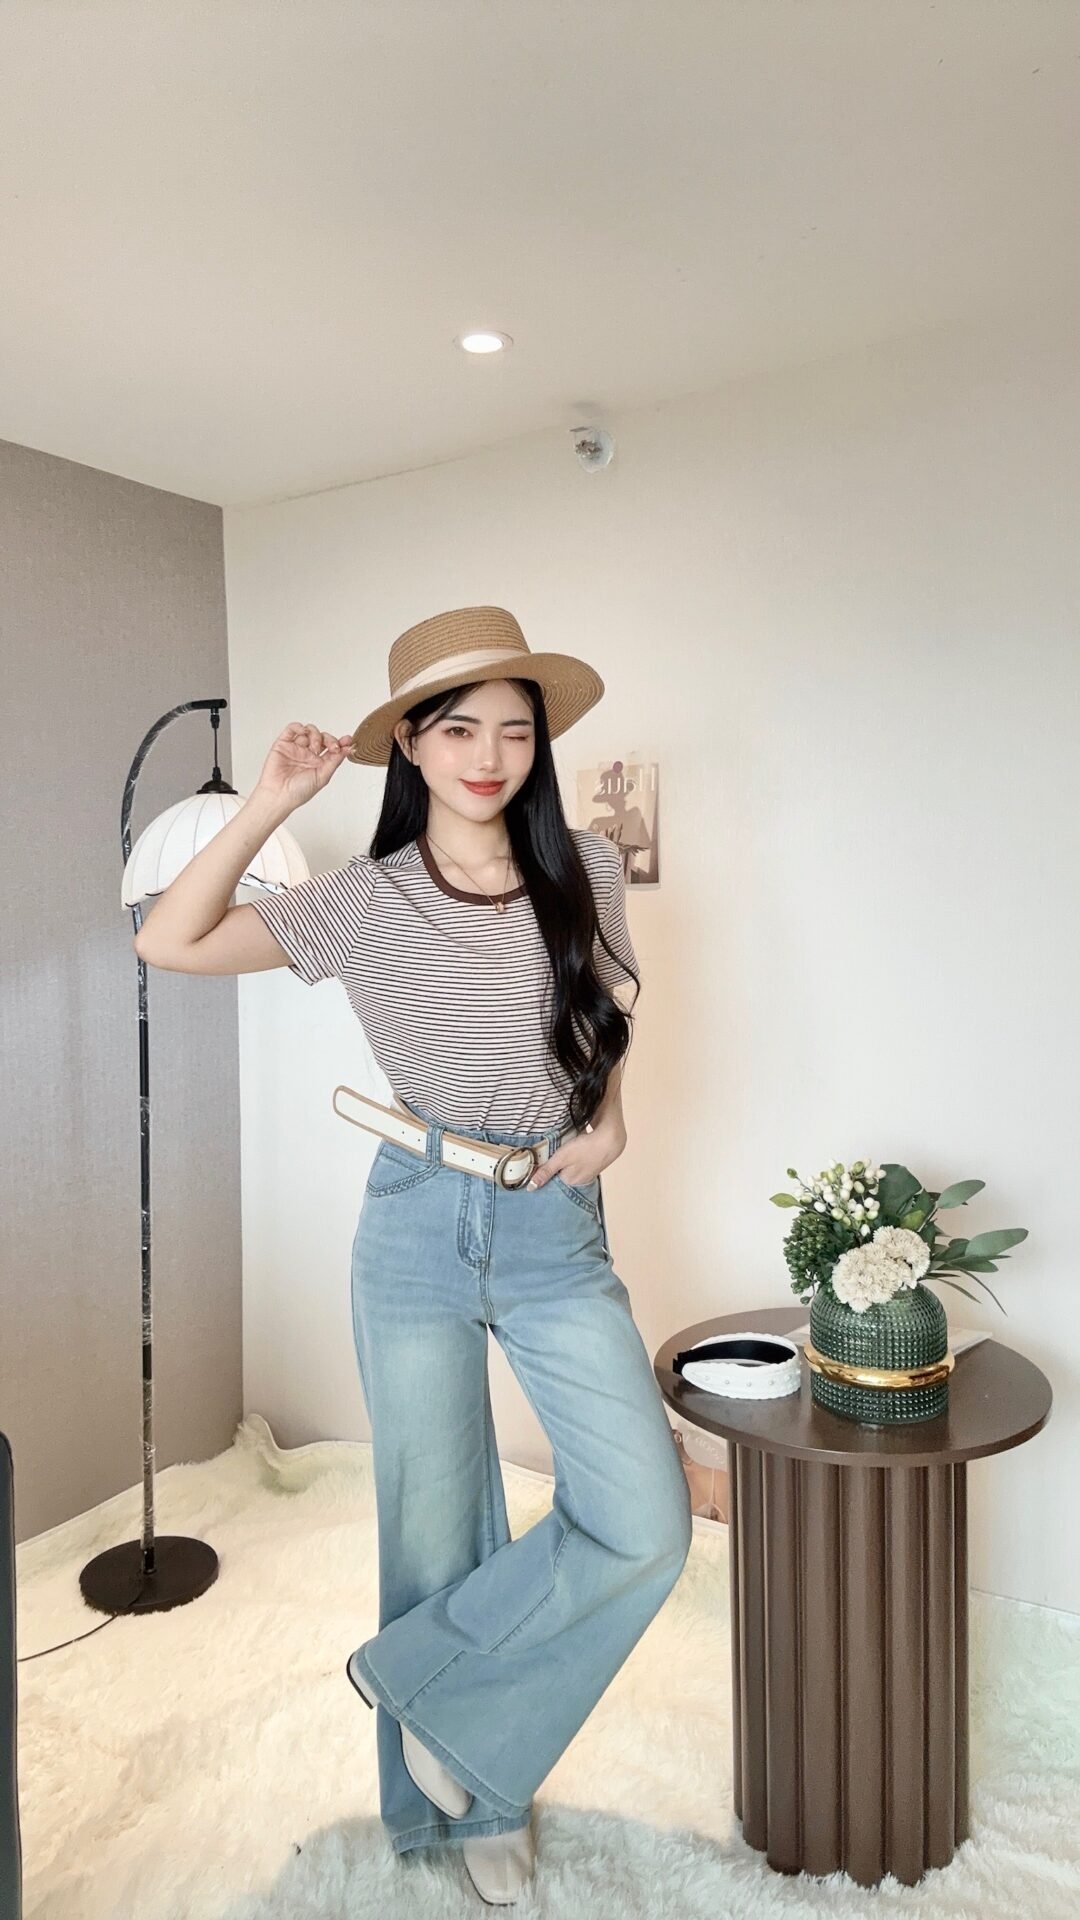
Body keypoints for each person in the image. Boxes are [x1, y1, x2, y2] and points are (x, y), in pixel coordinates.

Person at [134, 605, 693, 1907]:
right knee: (436, 1526)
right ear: (412, 746)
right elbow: (168, 939)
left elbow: (609, 1013)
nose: (490, 755)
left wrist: (611, 1120)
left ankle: (431, 1695)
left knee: (644, 1520)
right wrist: (273, 800)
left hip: (553, 1223)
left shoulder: (587, 869)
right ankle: (466, 1807)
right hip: (416, 1217)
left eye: (515, 730)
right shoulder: (364, 898)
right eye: (458, 729)